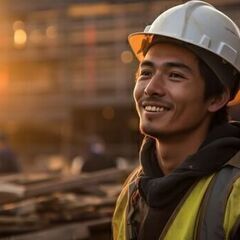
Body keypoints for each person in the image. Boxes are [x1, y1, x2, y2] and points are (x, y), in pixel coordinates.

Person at [112, 1, 240, 239]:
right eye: (146, 73)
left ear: (217, 97)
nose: (151, 88)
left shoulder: (234, 195)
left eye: (175, 75)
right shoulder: (132, 192)